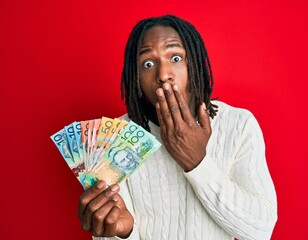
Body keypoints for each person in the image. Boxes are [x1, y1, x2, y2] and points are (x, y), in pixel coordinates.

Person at [77, 15, 277, 240]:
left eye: (175, 57)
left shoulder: (238, 125)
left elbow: (260, 230)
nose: (163, 75)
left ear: (196, 63)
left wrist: (197, 163)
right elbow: (116, 227)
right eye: (148, 64)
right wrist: (121, 233)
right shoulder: (114, 138)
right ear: (136, 78)